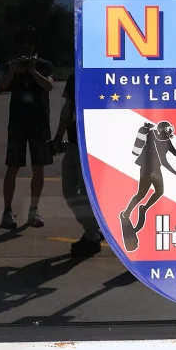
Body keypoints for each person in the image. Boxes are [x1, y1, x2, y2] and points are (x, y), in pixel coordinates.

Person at [0, 28, 55, 231]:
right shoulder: (12, 66)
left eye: (29, 44)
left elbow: (49, 86)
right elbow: (3, 86)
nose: (26, 48)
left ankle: (34, 210)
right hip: (18, 124)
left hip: (39, 124)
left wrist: (33, 71)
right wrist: (14, 70)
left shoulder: (44, 65)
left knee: (38, 167)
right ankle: (7, 211)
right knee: (12, 167)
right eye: (22, 45)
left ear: (34, 46)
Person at [121, 120, 176, 252]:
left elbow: (173, 153)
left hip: (156, 169)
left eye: (170, 129)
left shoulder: (166, 141)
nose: (169, 132)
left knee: (159, 191)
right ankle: (126, 213)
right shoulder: (151, 135)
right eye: (167, 129)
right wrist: (144, 129)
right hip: (146, 168)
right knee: (141, 193)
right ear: (161, 129)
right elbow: (140, 144)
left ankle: (144, 208)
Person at [53, 72, 103, 258]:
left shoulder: (105, 75)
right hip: (74, 143)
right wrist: (58, 136)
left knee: (85, 194)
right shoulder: (75, 76)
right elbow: (68, 108)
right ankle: (93, 230)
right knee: (70, 192)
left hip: (94, 144)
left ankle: (92, 236)